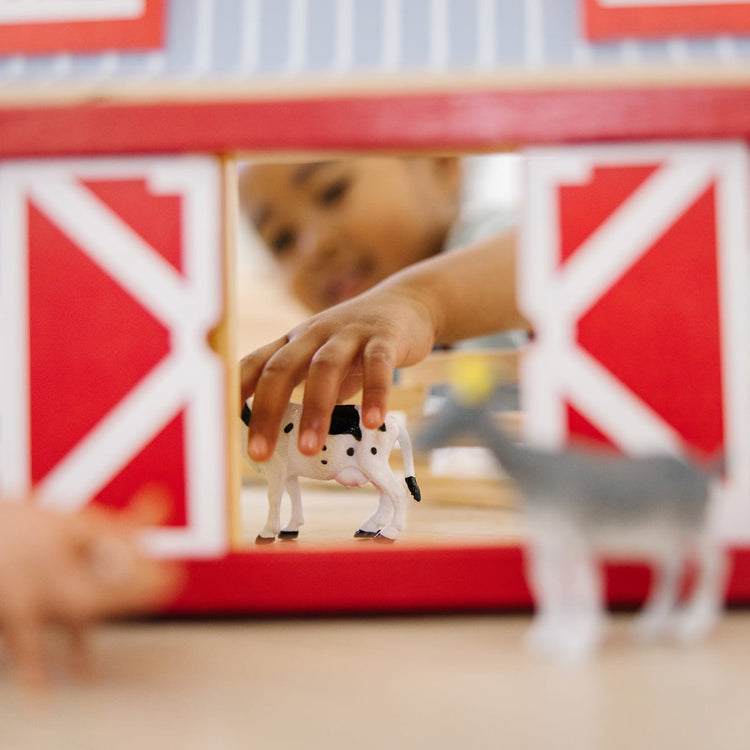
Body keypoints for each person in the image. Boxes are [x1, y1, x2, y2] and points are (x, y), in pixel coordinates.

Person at [238, 155, 528, 462]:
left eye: (332, 191)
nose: (314, 247)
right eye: (282, 240)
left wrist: (419, 300)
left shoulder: (492, 237)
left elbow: (553, 252)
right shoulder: (379, 359)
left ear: (441, 163)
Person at [0, 491, 182, 690]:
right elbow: (18, 617)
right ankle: (32, 670)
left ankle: (69, 661)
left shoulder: (77, 534)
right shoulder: (42, 561)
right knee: (21, 614)